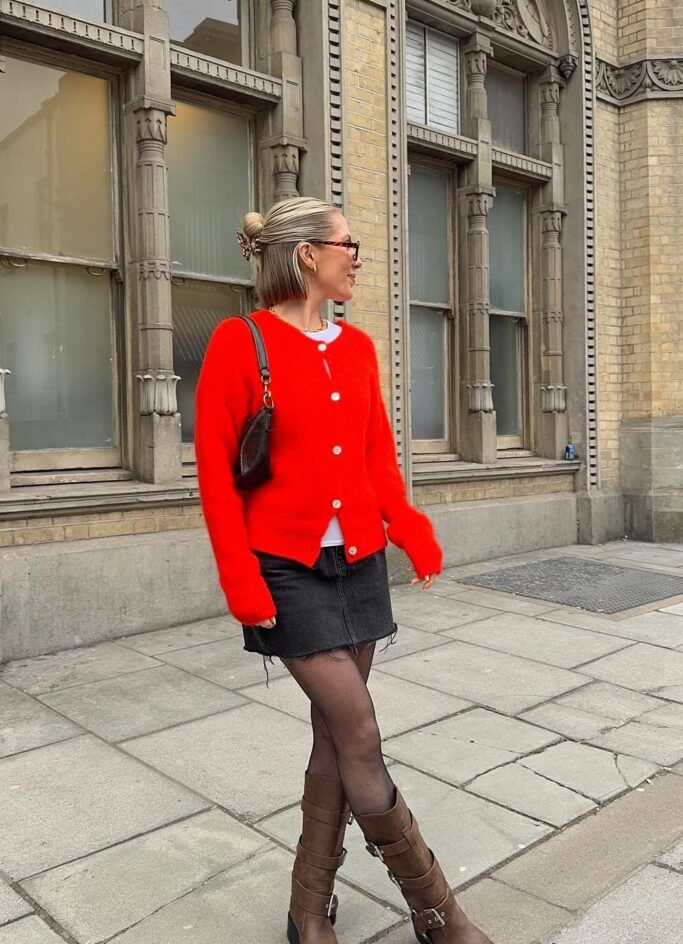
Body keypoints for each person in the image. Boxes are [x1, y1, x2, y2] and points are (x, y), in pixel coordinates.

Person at [195, 197, 493, 944]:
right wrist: (240, 578)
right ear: (306, 256)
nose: (356, 256)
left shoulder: (355, 348)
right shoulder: (239, 342)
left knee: (334, 739)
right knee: (358, 734)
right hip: (285, 569)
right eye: (345, 244)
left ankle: (306, 912)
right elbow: (214, 476)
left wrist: (410, 530)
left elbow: (374, 458)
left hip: (357, 562)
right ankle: (438, 914)